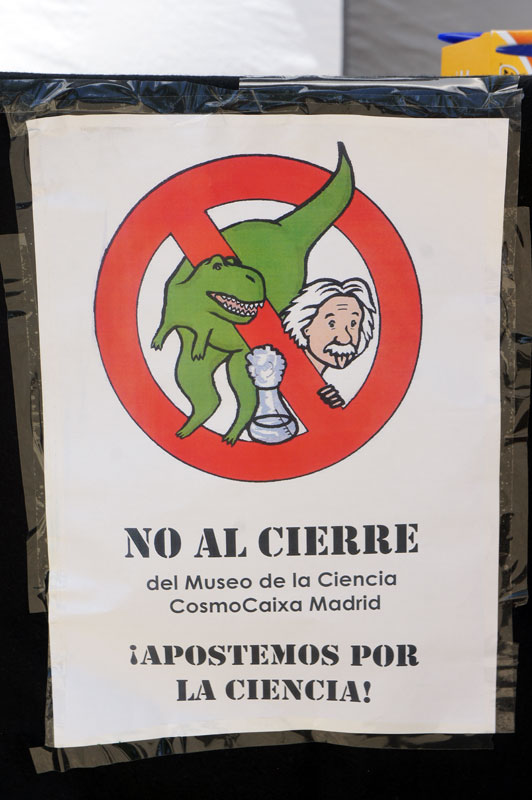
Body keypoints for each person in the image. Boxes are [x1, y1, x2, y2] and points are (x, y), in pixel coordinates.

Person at [282, 277, 377, 407]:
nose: (345, 338)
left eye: (353, 324)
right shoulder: (277, 372)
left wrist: (323, 408)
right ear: (305, 327)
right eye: (332, 324)